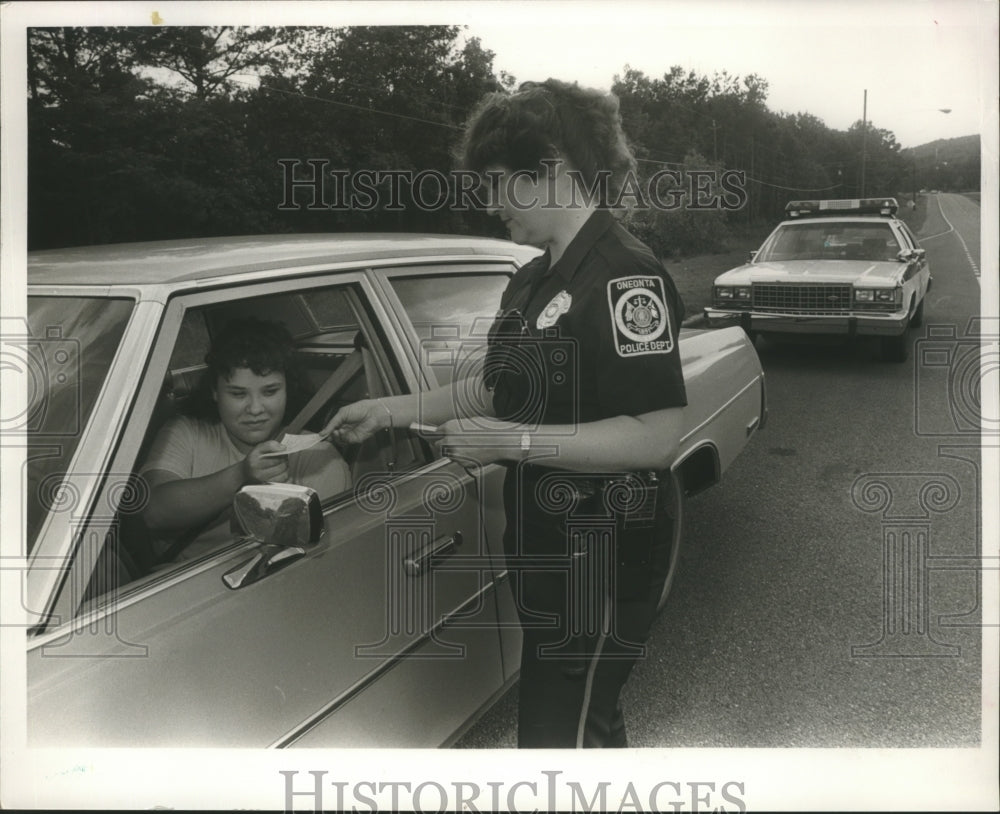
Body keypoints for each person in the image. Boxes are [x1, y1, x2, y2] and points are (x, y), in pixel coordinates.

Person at [321, 79, 687, 748]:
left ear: (549, 170)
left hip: (607, 554)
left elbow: (657, 435)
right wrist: (391, 409)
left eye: (496, 184)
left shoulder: (625, 278)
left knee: (553, 745)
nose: (490, 205)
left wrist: (511, 443)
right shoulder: (530, 276)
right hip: (547, 546)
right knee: (589, 726)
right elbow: (496, 392)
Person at [141, 316, 351, 561]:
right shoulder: (186, 431)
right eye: (238, 394)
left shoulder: (319, 456)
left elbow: (327, 555)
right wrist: (241, 475)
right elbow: (153, 512)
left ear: (287, 390)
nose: (255, 409)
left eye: (270, 391)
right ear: (215, 392)